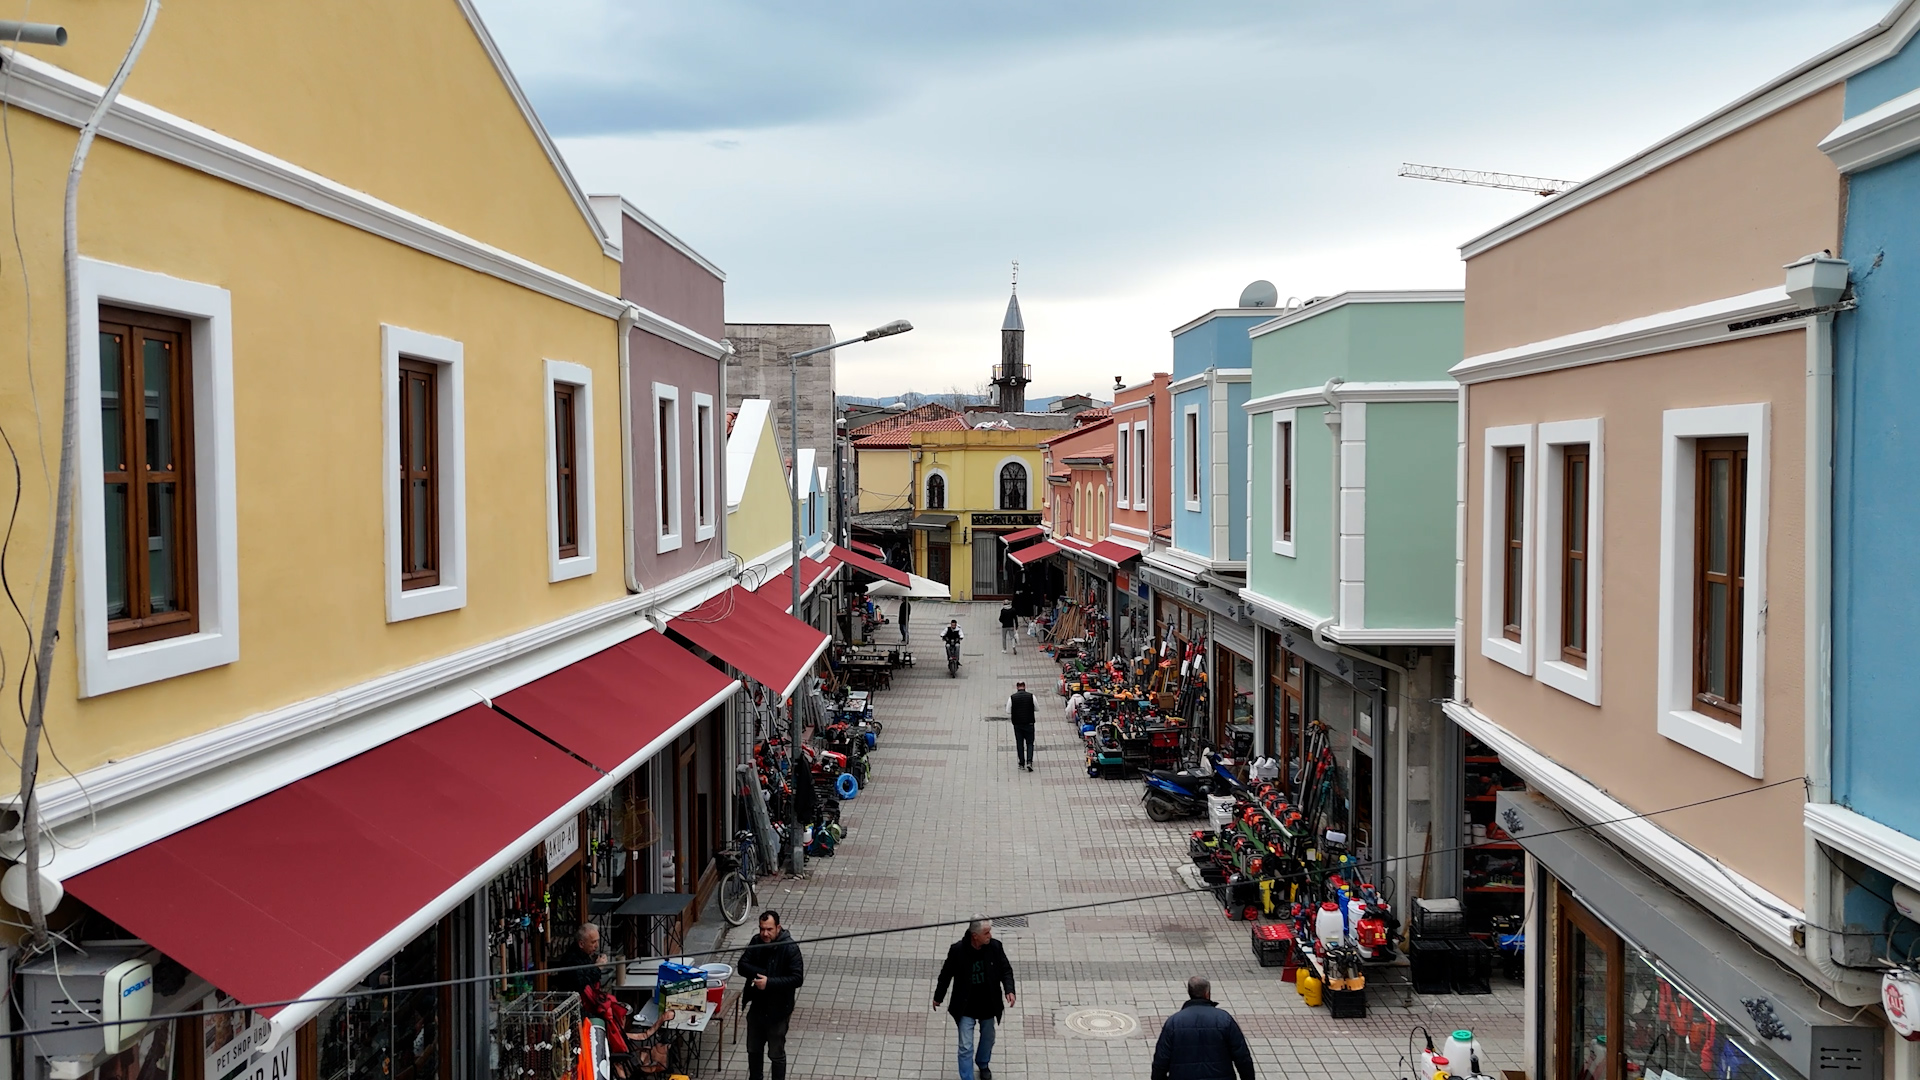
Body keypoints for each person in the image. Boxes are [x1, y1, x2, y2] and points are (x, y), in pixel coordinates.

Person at [933, 917, 1016, 1080]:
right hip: (966, 1007)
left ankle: (983, 1063)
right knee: (965, 1046)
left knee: (988, 1037)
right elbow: (945, 975)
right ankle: (967, 1078)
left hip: (988, 1004)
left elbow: (1006, 970)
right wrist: (938, 996)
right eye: (986, 933)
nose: (990, 936)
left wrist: (1009, 990)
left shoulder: (995, 947)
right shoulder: (957, 951)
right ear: (974, 936)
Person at [738, 910, 805, 1080]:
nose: (764, 934)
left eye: (769, 929)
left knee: (776, 1053)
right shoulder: (756, 941)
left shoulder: (790, 948)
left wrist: (769, 982)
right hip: (757, 1008)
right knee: (753, 1049)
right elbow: (742, 965)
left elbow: (797, 979)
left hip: (778, 1011)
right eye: (762, 929)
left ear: (778, 928)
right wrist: (762, 973)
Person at [1150, 976, 1255, 1080]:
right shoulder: (1224, 1020)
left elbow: (1161, 1061)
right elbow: (1242, 1057)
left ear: (1189, 993)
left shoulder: (1174, 1022)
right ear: (1207, 993)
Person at [550, 922, 611, 996]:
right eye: (593, 942)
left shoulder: (584, 954)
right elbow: (583, 985)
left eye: (597, 941)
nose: (597, 945)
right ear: (581, 944)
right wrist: (597, 968)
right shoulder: (571, 960)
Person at [1008, 681, 1037, 772]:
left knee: (1019, 743)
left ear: (1017, 687)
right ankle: (1029, 762)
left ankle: (1021, 763)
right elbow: (1037, 708)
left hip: (1018, 724)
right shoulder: (1031, 696)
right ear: (1025, 686)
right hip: (1029, 723)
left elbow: (1008, 710)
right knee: (1029, 743)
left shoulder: (1012, 698)